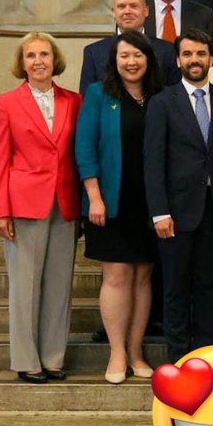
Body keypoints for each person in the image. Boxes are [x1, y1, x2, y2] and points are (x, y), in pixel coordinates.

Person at [0, 33, 81, 383]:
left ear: (54, 59)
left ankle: (53, 357)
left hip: (65, 201)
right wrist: (2, 209)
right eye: (31, 55)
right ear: (22, 62)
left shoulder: (73, 100)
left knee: (59, 285)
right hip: (24, 201)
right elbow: (1, 158)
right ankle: (27, 360)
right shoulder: (6, 102)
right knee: (25, 285)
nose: (39, 61)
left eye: (44, 54)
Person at [143, 29, 213, 363]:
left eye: (200, 54)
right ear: (178, 59)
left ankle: (206, 357)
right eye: (187, 54)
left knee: (209, 287)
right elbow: (152, 162)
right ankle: (179, 360)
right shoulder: (162, 102)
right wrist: (159, 212)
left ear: (211, 59)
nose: (194, 60)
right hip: (175, 214)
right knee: (176, 288)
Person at [76, 31, 164, 383]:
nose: (131, 62)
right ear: (114, 60)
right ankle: (115, 352)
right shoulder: (100, 95)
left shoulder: (159, 96)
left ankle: (136, 350)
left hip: (150, 201)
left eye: (137, 55)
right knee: (116, 275)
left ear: (148, 59)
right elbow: (85, 148)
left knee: (143, 276)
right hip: (110, 200)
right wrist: (94, 196)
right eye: (124, 56)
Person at [79, 0, 179, 93]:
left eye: (134, 6)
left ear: (146, 11)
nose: (127, 11)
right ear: (113, 12)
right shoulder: (94, 52)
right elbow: (87, 97)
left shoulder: (167, 50)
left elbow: (175, 96)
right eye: (121, 7)